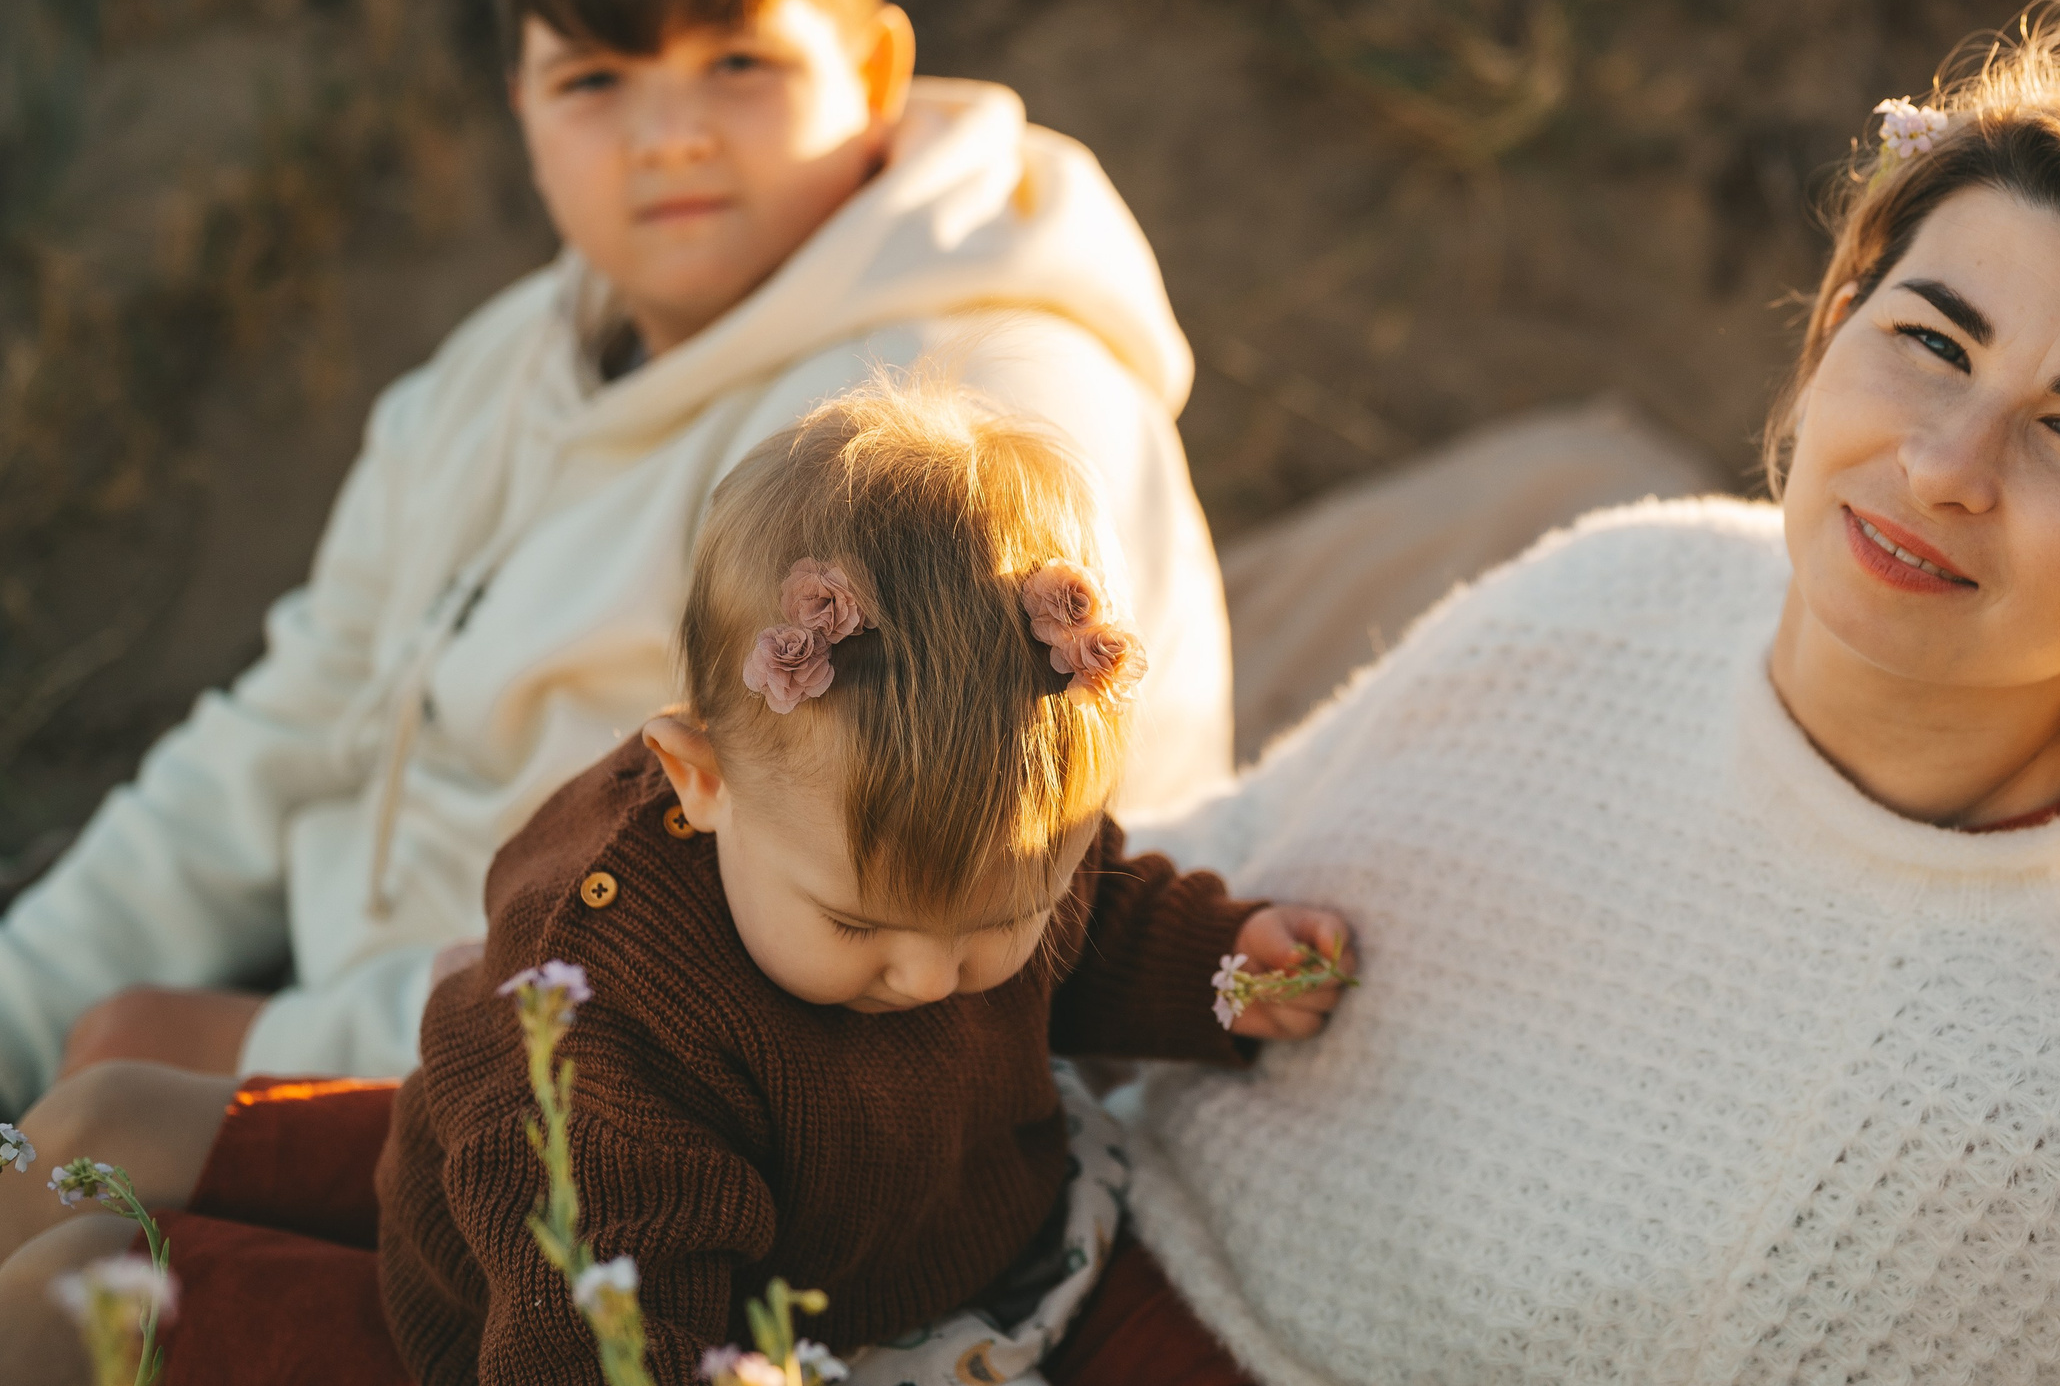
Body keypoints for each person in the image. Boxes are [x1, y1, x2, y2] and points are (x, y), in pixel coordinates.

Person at [1045, 0, 2060, 1384]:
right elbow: (1214, 880)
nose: (1946, 463)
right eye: (1933, 341)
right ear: (1835, 329)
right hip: (1007, 1260)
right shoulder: (1628, 588)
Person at [0, 0, 1232, 1110]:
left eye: (740, 63)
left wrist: (259, 1049)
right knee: (90, 1043)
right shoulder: (502, 365)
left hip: (687, 1108)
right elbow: (291, 725)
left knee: (104, 1119)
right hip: (395, 987)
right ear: (521, 101)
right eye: (595, 79)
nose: (670, 136)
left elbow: (812, 929)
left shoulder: (947, 421)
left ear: (874, 70)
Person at [0, 385, 1352, 1383]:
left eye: (1002, 918)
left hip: (893, 1244)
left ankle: (130, 1152)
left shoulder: (961, 839)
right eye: (864, 927)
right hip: (527, 1302)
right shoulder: (615, 1039)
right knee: (83, 1279)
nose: (936, 975)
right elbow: (596, 1318)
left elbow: (1103, 914)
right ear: (696, 779)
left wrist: (1227, 964)